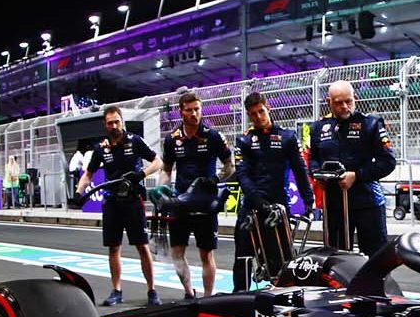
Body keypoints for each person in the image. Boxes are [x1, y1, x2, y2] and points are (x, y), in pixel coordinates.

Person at [76, 104, 161, 305]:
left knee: (142, 246)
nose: (114, 125)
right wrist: (79, 192)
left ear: (122, 121)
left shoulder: (135, 141)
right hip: (112, 202)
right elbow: (88, 174)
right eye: (110, 123)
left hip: (133, 201)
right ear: (105, 125)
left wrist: (141, 174)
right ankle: (116, 291)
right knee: (114, 248)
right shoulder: (101, 148)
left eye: (117, 121)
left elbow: (157, 161)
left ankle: (152, 291)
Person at [232, 90, 311, 290]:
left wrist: (308, 201)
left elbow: (300, 170)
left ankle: (282, 297)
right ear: (248, 115)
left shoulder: (287, 137)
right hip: (251, 206)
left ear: (269, 109)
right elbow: (242, 174)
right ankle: (240, 297)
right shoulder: (244, 141)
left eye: (261, 111)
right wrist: (258, 200)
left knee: (281, 259)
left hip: (278, 208)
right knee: (243, 257)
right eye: (253, 114)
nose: (258, 117)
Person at [308, 80, 396, 254]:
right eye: (338, 102)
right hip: (334, 203)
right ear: (329, 102)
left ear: (355, 98)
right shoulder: (318, 128)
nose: (344, 106)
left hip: (367, 201)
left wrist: (356, 175)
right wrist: (318, 175)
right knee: (336, 257)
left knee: (375, 257)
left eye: (348, 101)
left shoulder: (370, 124)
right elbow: (313, 158)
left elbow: (388, 162)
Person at [158, 92, 233, 297]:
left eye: (197, 109)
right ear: (181, 111)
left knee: (206, 254)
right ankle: (189, 292)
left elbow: (230, 165)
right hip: (181, 202)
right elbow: (166, 169)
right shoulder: (171, 139)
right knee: (177, 254)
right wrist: (162, 189)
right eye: (189, 110)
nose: (194, 114)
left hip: (205, 204)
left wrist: (216, 180)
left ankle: (207, 297)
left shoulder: (213, 135)